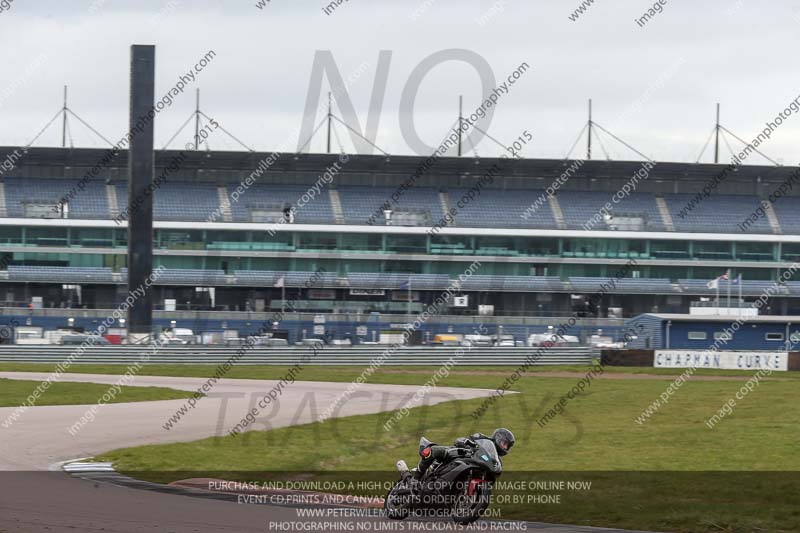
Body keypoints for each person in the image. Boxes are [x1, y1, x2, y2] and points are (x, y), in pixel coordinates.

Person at [413, 428, 515, 480]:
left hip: (473, 466)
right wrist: (466, 442)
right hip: (461, 455)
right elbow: (467, 439)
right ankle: (415, 479)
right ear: (498, 437)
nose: (505, 447)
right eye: (504, 443)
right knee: (435, 450)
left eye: (507, 446)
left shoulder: (496, 460)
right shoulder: (482, 438)